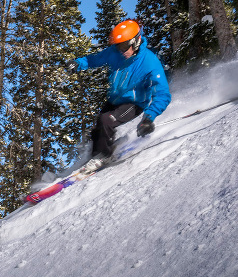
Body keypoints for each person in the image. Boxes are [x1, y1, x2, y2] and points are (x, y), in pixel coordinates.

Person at [69, 19, 171, 172]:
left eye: (124, 46)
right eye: (118, 46)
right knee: (98, 127)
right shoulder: (115, 53)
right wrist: (78, 63)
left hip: (134, 103)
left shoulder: (150, 62)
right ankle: (96, 156)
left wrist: (148, 118)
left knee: (107, 120)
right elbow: (95, 59)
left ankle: (104, 156)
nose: (121, 51)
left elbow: (163, 94)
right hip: (115, 99)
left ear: (136, 41)